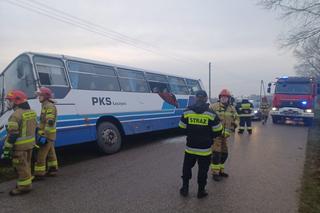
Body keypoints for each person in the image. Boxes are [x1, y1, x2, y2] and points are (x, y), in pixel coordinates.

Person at [179, 90, 222, 199]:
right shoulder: (211, 114)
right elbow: (218, 130)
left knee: (186, 168)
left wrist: (190, 134)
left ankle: (185, 188)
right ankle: (201, 191)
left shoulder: (187, 112)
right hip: (205, 149)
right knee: (203, 170)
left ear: (195, 98)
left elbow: (181, 128)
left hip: (190, 148)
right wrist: (209, 137)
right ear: (206, 98)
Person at [1, 90, 37, 195]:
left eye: (10, 100)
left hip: (19, 148)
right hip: (30, 145)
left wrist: (7, 148)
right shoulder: (32, 112)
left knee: (21, 167)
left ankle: (24, 187)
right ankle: (27, 181)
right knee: (27, 165)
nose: (8, 103)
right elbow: (36, 127)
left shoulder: (15, 115)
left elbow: (13, 134)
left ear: (17, 101)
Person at [209, 89, 239, 181]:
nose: (224, 99)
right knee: (216, 154)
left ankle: (221, 170)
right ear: (219, 98)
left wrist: (235, 125)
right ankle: (215, 173)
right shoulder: (213, 106)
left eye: (226, 97)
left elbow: (237, 118)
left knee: (224, 154)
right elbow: (208, 118)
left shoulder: (232, 108)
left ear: (229, 98)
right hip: (215, 135)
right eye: (222, 97)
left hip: (225, 136)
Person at [34, 87, 58, 179]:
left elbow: (50, 121)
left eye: (40, 95)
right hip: (49, 135)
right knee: (51, 153)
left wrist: (44, 134)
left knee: (41, 155)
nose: (38, 97)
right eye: (38, 95)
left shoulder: (49, 106)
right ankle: (53, 169)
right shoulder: (45, 105)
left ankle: (39, 174)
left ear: (46, 96)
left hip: (47, 135)